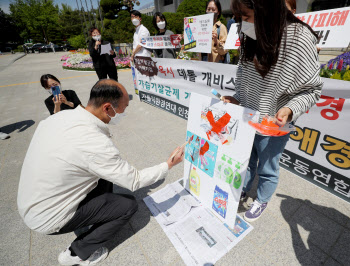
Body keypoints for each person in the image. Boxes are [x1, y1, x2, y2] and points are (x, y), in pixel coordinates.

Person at [17, 79, 184, 265]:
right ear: (107, 108)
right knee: (127, 205)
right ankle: (76, 254)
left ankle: (95, 214)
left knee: (106, 176)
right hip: (48, 217)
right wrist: (168, 164)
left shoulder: (57, 118)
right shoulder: (93, 142)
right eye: (123, 108)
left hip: (32, 201)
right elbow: (134, 181)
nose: (123, 113)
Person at [224, 0, 323, 222]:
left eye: (246, 16)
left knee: (268, 165)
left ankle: (262, 198)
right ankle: (241, 190)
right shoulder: (250, 34)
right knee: (245, 160)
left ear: (265, 9)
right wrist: (237, 98)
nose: (242, 24)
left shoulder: (298, 37)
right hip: (248, 117)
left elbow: (313, 89)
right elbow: (243, 74)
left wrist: (289, 109)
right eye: (239, 18)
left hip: (275, 122)